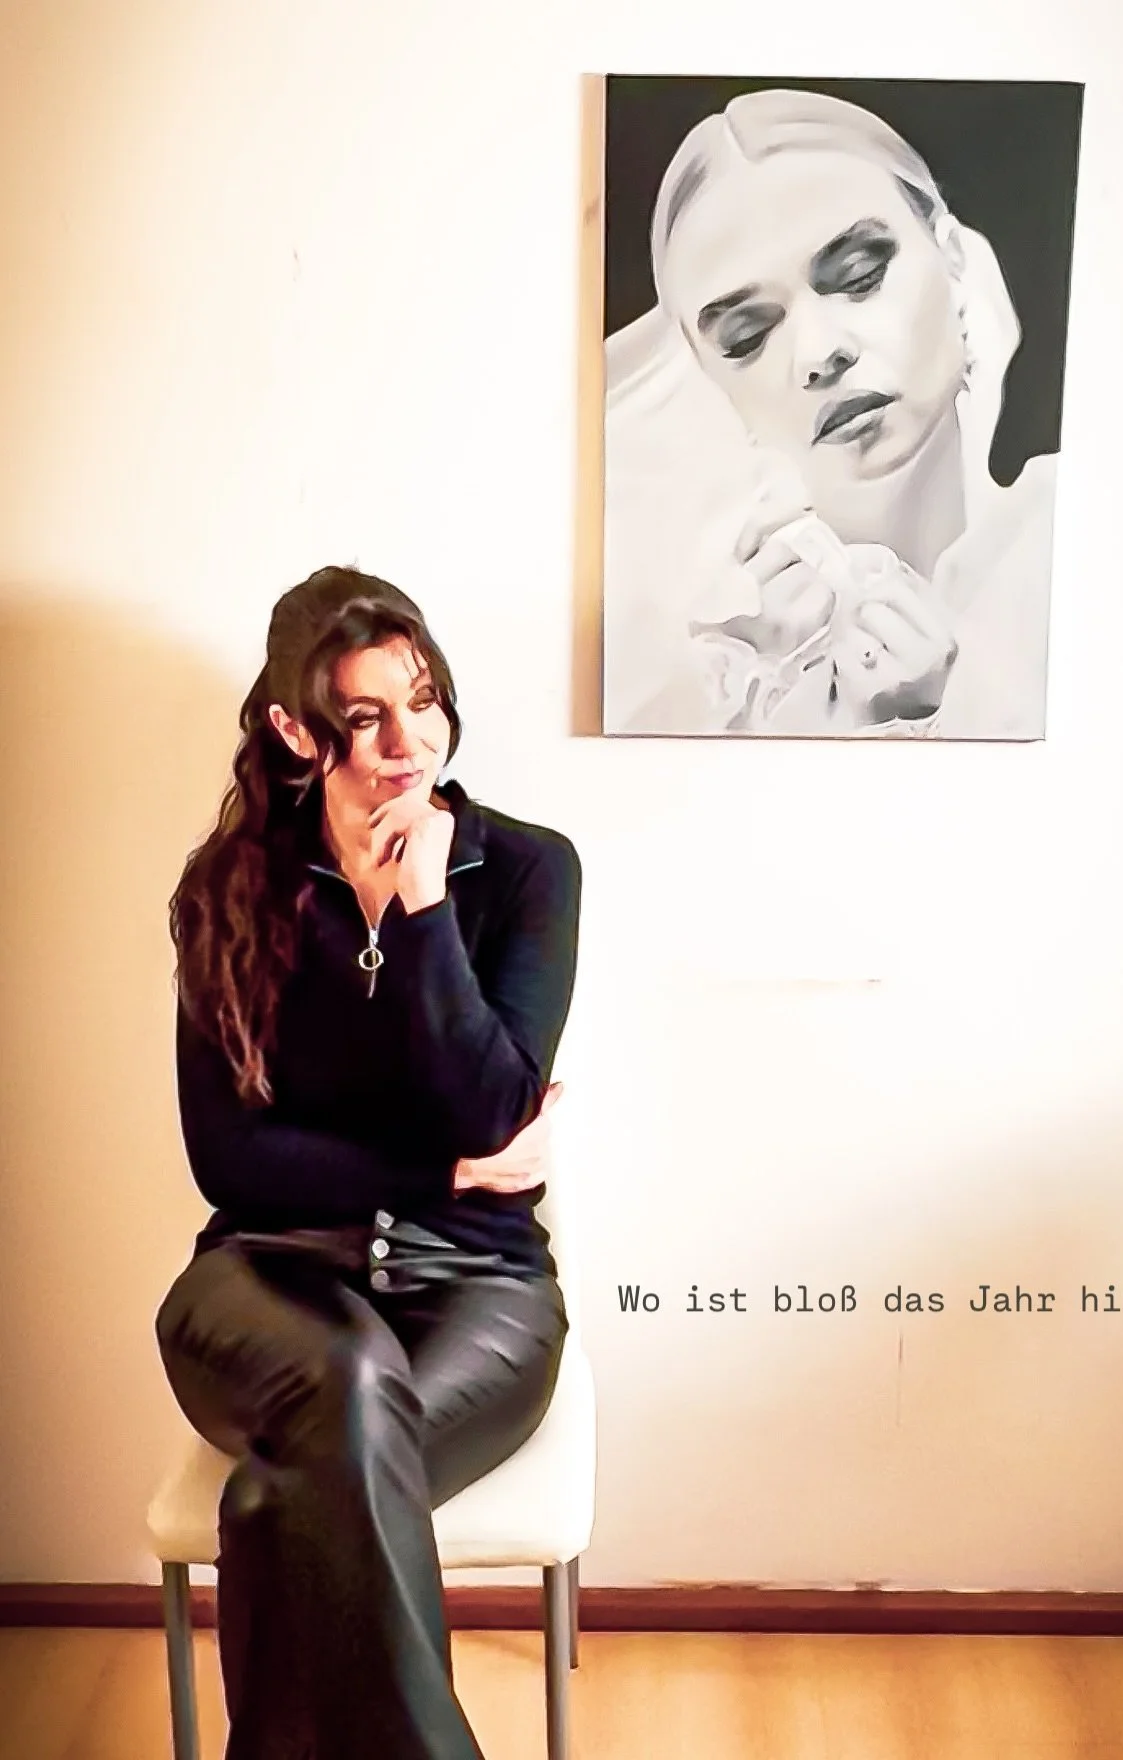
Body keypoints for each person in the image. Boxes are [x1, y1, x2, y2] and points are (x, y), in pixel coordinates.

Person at [154, 565, 582, 1760]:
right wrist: (441, 1173)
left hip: (479, 1286)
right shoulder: (231, 889)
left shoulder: (529, 869)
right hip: (265, 1279)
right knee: (341, 1385)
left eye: (424, 700)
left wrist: (426, 910)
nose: (409, 741)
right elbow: (231, 1159)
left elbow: (492, 1107)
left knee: (281, 1494)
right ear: (297, 729)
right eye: (366, 715)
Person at [602, 87, 1059, 739]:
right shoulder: (710, 668)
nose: (818, 352)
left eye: (859, 275)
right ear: (706, 376)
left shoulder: (1062, 548)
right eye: (747, 336)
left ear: (952, 257)